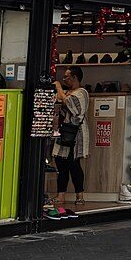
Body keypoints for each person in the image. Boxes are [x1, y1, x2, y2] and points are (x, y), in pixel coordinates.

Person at [49, 67, 90, 217]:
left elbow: (68, 104)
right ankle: (61, 194)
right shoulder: (68, 92)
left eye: (67, 77)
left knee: (74, 163)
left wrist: (58, 87)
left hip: (75, 133)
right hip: (64, 130)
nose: (64, 79)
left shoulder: (81, 92)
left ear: (75, 77)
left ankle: (80, 195)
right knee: (61, 161)